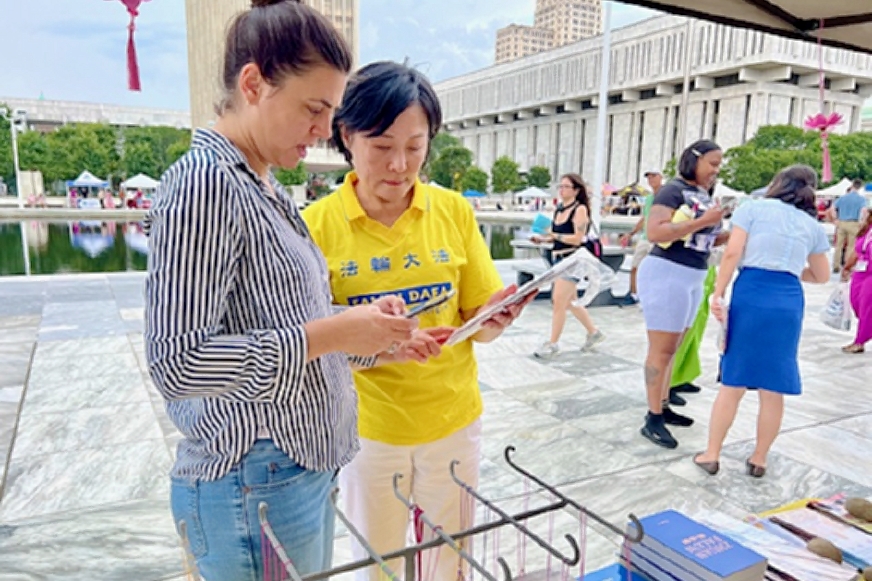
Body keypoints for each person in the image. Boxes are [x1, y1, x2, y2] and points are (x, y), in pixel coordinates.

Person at [144, 4, 421, 580]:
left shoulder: (260, 184)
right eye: (313, 109)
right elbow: (178, 362)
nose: (323, 131)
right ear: (253, 84)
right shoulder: (206, 185)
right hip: (251, 479)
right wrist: (334, 331)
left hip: (288, 473)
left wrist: (372, 335)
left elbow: (287, 319)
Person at [302, 61, 532, 581]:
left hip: (451, 419)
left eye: (415, 146)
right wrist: (382, 344)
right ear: (347, 137)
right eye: (382, 146)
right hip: (369, 429)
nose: (399, 165)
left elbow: (478, 321)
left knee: (448, 559)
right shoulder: (315, 226)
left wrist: (497, 317)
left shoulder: (452, 211)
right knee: (377, 559)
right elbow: (310, 344)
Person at [695, 165, 830, 477]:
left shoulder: (753, 209)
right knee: (773, 386)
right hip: (788, 299)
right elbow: (822, 275)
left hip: (752, 293)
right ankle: (759, 459)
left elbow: (732, 253)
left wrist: (718, 293)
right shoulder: (811, 225)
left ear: (778, 183)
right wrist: (789, 270)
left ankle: (712, 453)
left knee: (733, 380)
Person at [637, 140, 728, 449]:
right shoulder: (672, 191)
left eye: (719, 165)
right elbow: (656, 232)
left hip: (692, 274)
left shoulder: (703, 194)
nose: (716, 171)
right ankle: (652, 417)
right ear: (695, 160)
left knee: (674, 348)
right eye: (712, 164)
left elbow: (702, 238)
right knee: (661, 349)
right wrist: (704, 221)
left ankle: (663, 404)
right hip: (667, 272)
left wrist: (734, 233)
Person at [531, 173, 605, 358]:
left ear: (576, 190)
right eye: (561, 186)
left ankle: (553, 343)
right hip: (558, 258)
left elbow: (577, 239)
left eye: (566, 187)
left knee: (558, 302)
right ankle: (593, 332)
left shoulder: (580, 210)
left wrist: (553, 235)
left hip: (573, 260)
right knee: (570, 302)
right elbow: (557, 235)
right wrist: (543, 239)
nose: (562, 190)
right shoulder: (559, 209)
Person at [621, 169, 662, 304]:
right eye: (649, 177)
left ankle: (653, 295)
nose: (651, 180)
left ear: (660, 177)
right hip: (645, 237)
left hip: (658, 238)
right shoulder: (649, 198)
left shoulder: (666, 196)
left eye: (653, 176)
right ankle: (633, 294)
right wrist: (631, 233)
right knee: (635, 266)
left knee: (654, 269)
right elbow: (645, 218)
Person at [840, 209, 872, 353]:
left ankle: (859, 342)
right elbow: (857, 251)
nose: (861, 218)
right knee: (856, 302)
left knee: (867, 306)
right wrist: (847, 267)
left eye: (864, 216)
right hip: (860, 272)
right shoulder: (865, 231)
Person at [830, 178, 867, 271]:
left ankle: (836, 265)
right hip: (854, 223)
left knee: (838, 245)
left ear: (852, 185)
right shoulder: (862, 199)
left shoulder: (842, 198)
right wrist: (862, 222)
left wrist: (835, 219)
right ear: (860, 187)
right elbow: (864, 211)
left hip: (841, 222)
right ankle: (847, 266)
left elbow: (832, 208)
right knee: (851, 246)